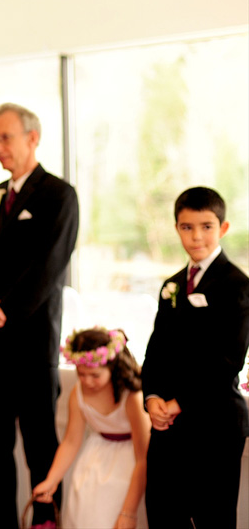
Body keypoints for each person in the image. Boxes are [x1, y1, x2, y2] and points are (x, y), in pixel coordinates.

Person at [0, 102, 79, 529]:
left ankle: (46, 524)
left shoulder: (59, 195)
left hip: (32, 348)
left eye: (5, 137)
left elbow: (48, 270)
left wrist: (0, 313)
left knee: (40, 453)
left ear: (33, 138)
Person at [141, 186, 249, 528]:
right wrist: (152, 396)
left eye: (206, 226)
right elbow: (155, 349)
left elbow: (229, 360)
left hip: (214, 422)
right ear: (176, 228)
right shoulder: (171, 285)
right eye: (187, 227)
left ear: (223, 228)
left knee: (212, 518)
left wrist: (179, 401)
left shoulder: (237, 285)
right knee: (162, 512)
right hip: (168, 424)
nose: (196, 236)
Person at [33, 328, 150, 528]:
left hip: (130, 469)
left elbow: (143, 457)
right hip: (93, 463)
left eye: (95, 375)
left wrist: (129, 512)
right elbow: (71, 441)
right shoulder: (78, 393)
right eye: (81, 374)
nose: (87, 381)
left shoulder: (132, 397)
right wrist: (52, 480)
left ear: (112, 367)